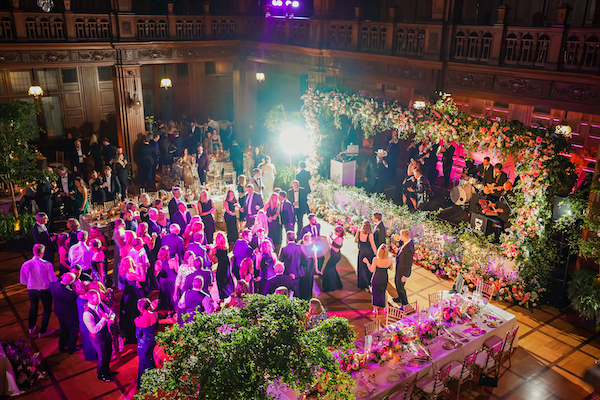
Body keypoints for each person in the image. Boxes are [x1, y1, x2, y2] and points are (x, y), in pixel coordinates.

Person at [20, 244, 57, 336]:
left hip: (32, 291)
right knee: (47, 310)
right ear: (43, 253)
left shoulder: (25, 264)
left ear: (33, 251)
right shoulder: (47, 264)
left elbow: (22, 281)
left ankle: (31, 328)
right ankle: (43, 331)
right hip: (44, 291)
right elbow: (53, 280)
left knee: (33, 308)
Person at [83, 289, 117, 382]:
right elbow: (93, 330)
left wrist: (112, 318)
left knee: (109, 353)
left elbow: (110, 312)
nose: (99, 299)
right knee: (102, 357)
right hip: (98, 338)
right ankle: (101, 375)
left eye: (98, 297)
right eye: (96, 298)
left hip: (106, 334)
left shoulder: (100, 303)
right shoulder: (87, 314)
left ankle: (107, 370)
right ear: (90, 300)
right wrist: (103, 319)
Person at [50, 272, 79, 354]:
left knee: (63, 329)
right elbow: (74, 300)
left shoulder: (53, 285)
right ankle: (71, 348)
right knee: (73, 330)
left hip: (59, 312)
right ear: (70, 282)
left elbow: (55, 283)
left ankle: (61, 346)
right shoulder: (70, 293)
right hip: (69, 314)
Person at [119, 257, 146, 344]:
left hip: (127, 295)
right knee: (133, 315)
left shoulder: (123, 273)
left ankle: (131, 335)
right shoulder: (130, 274)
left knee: (129, 316)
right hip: (132, 296)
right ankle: (133, 336)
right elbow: (143, 279)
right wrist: (141, 268)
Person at [134, 298, 158, 389]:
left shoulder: (138, 320)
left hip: (143, 343)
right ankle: (154, 380)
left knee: (143, 363)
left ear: (140, 308)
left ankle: (145, 385)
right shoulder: (155, 314)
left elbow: (137, 335)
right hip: (152, 340)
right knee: (150, 359)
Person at [364, 244, 393, 315]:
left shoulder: (375, 259)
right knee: (384, 291)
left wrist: (367, 263)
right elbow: (391, 268)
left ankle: (375, 309)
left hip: (376, 278)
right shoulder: (390, 259)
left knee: (375, 292)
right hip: (384, 277)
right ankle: (385, 307)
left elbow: (371, 270)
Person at [279, 231, 304, 297]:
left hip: (288, 273)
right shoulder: (300, 247)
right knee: (297, 290)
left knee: (287, 290)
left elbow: (281, 260)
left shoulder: (284, 249)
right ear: (294, 238)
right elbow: (305, 259)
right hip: (297, 272)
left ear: (287, 238)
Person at [393, 230, 414, 305]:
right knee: (397, 283)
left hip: (403, 271)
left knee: (400, 287)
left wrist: (405, 275)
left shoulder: (409, 249)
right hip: (399, 269)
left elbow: (409, 263)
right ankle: (400, 298)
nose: (400, 237)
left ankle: (405, 304)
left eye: (401, 235)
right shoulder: (406, 242)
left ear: (404, 237)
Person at [155, 246, 178, 315]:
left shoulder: (158, 262)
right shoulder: (172, 261)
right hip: (172, 280)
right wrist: (177, 262)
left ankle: (168, 311)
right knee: (172, 295)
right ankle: (174, 311)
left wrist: (159, 268)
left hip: (163, 281)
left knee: (166, 295)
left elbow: (155, 274)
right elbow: (177, 271)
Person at [355, 220, 376, 290]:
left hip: (361, 252)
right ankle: (368, 283)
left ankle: (362, 284)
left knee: (361, 268)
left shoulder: (359, 231)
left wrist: (361, 242)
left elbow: (355, 240)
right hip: (368, 253)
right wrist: (377, 254)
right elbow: (373, 245)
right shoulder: (370, 235)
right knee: (368, 268)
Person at [321, 226, 344, 293]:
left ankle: (330, 286)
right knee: (332, 269)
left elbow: (336, 249)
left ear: (339, 232)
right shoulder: (338, 237)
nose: (334, 232)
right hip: (334, 256)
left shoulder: (339, 239)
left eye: (335, 231)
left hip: (335, 257)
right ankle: (336, 284)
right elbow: (335, 243)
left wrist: (329, 244)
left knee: (328, 270)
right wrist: (331, 237)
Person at [212, 232, 234, 300]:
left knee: (220, 280)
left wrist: (212, 250)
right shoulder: (225, 247)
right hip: (226, 263)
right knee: (227, 277)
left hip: (221, 266)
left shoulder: (216, 249)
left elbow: (214, 260)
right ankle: (231, 291)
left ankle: (223, 297)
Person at [298, 233, 317, 300]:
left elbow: (315, 258)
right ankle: (302, 294)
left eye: (309, 238)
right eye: (306, 238)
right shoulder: (300, 244)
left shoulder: (313, 246)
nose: (308, 239)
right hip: (302, 264)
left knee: (309, 279)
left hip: (310, 265)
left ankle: (308, 295)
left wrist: (316, 269)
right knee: (302, 279)